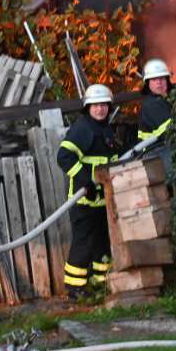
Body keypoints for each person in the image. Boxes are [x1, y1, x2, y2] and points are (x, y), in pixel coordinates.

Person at [56, 84, 123, 300]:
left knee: (103, 242)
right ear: (87, 107)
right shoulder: (82, 129)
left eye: (104, 105)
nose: (100, 109)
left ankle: (100, 282)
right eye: (96, 105)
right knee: (83, 243)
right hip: (84, 200)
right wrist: (86, 181)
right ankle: (75, 288)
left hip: (103, 201)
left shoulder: (106, 129)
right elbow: (64, 157)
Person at [137, 58, 173, 145]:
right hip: (154, 154)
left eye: (162, 78)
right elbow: (171, 132)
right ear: (147, 83)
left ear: (167, 81)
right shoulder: (152, 105)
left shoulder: (164, 100)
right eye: (154, 79)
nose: (159, 82)